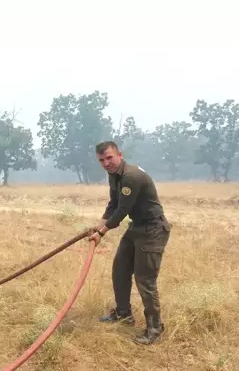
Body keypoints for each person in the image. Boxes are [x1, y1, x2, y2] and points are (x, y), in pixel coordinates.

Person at [89, 141, 171, 345]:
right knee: (120, 269)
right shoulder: (114, 175)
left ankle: (154, 327)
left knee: (145, 280)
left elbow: (122, 211)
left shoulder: (131, 176)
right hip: (137, 227)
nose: (106, 163)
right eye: (101, 160)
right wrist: (98, 226)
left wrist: (103, 232)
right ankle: (123, 314)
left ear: (120, 154)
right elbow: (113, 205)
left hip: (152, 229)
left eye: (109, 157)